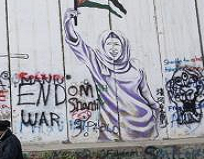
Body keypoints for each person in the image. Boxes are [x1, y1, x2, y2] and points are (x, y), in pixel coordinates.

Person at [63, 8, 160, 140]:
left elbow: (146, 93)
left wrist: (156, 110)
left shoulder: (135, 66)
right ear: (103, 46)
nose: (113, 48)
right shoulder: (98, 64)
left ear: (124, 46)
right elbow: (78, 44)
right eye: (109, 44)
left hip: (145, 124)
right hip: (114, 129)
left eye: (117, 44)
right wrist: (67, 23)